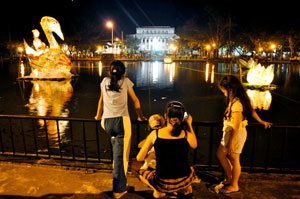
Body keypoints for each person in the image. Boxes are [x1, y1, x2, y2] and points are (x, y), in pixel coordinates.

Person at [94, 61, 146, 199]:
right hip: (121, 122)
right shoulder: (126, 82)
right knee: (122, 158)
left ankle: (121, 183)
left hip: (106, 122)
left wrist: (98, 115)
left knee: (117, 152)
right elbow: (136, 101)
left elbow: (101, 101)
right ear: (124, 72)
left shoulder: (104, 81)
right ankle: (119, 190)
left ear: (110, 72)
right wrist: (140, 117)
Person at [217, 75, 272, 195]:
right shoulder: (239, 99)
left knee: (234, 159)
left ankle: (234, 185)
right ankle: (230, 178)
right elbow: (251, 110)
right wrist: (261, 121)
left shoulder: (237, 104)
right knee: (221, 154)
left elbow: (236, 126)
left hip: (235, 134)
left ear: (230, 90)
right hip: (230, 132)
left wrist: (231, 143)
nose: (224, 93)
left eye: (224, 90)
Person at [136, 101, 197, 198]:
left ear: (165, 116)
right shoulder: (185, 134)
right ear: (182, 118)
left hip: (163, 182)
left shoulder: (155, 134)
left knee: (141, 173)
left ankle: (158, 191)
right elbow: (194, 145)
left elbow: (139, 158)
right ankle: (186, 189)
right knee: (190, 170)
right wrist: (189, 124)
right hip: (184, 179)